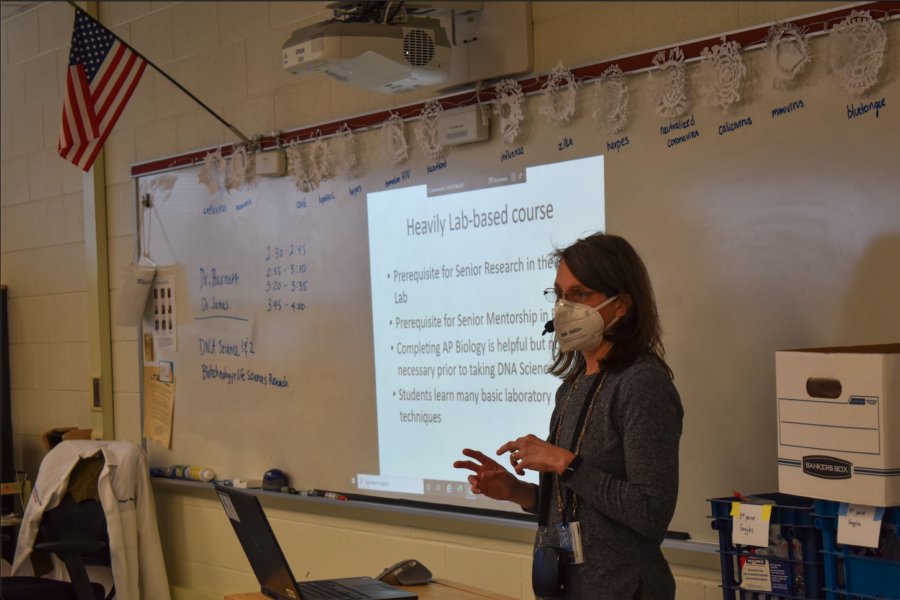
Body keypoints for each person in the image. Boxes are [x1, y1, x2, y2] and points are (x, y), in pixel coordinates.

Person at [454, 233, 684, 600]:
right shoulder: (573, 387)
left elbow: (650, 513)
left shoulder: (642, 385)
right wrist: (520, 494)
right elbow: (579, 505)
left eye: (580, 294)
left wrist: (564, 462)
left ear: (621, 305)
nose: (564, 306)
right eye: (559, 294)